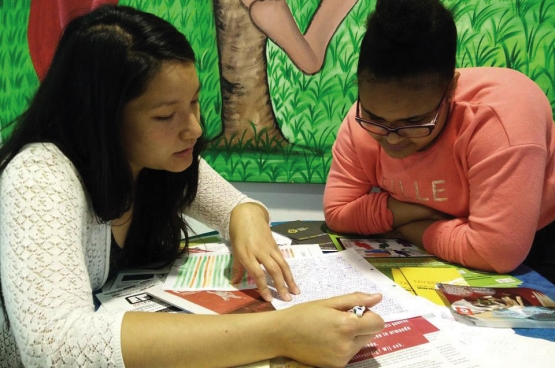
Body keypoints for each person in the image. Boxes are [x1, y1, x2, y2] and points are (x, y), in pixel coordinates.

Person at [0, 5, 384, 367]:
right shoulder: (40, 173)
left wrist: (247, 218)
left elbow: (235, 205)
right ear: (100, 116)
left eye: (196, 102)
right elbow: (55, 349)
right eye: (165, 115)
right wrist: (281, 332)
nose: (195, 129)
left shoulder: (156, 158)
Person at [324, 0, 555, 282]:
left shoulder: (500, 117)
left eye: (413, 122)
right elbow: (337, 212)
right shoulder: (359, 122)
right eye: (375, 118)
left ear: (451, 90)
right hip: (454, 244)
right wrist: (420, 211)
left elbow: (497, 253)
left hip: (540, 240)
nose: (392, 138)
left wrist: (408, 227)